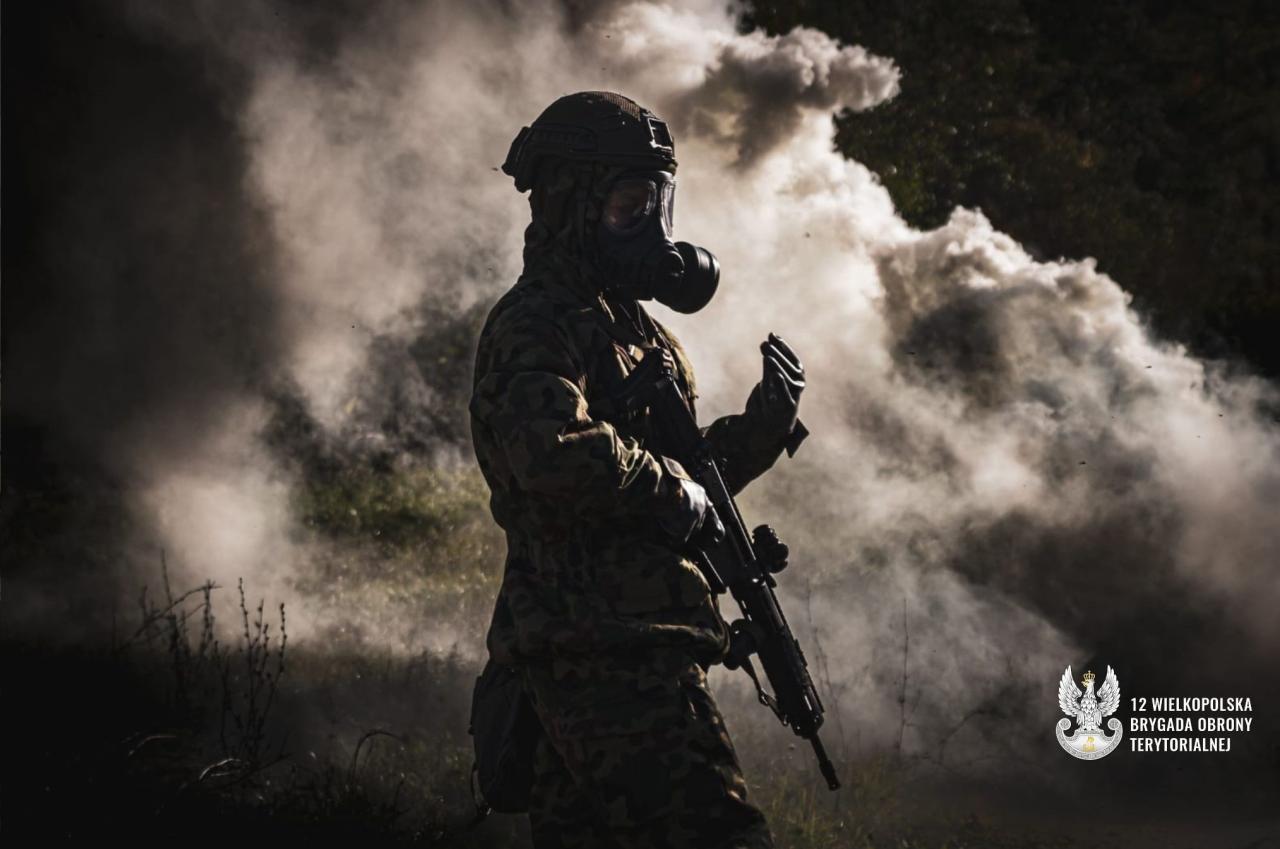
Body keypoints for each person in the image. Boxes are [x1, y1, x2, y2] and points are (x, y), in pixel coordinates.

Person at [469, 90, 807, 849]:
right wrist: (674, 491)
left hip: (626, 639)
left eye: (658, 203)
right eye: (629, 205)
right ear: (569, 205)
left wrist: (759, 432)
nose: (652, 230)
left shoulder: (634, 329)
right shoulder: (537, 321)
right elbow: (553, 451)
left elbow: (684, 481)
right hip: (603, 651)